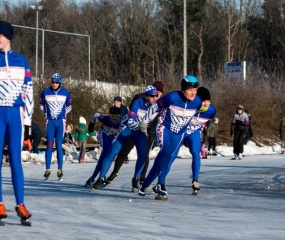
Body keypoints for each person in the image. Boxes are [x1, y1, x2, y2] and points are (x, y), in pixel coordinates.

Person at [137, 75, 202, 200]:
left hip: (180, 133)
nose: (193, 93)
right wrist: (145, 121)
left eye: (195, 90)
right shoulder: (172, 97)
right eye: (190, 90)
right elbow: (155, 107)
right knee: (165, 153)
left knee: (161, 161)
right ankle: (161, 184)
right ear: (183, 90)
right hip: (164, 128)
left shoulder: (198, 102)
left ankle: (143, 187)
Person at [91, 85, 159, 191]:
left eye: (156, 96)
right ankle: (101, 177)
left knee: (143, 154)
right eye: (152, 96)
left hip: (140, 132)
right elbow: (131, 121)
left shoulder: (157, 106)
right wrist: (140, 126)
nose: (155, 98)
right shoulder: (138, 103)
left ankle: (136, 177)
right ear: (146, 96)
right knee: (112, 152)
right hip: (127, 128)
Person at [0, 21, 33, 225]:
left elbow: (29, 93)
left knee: (15, 161)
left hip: (15, 115)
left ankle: (20, 204)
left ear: (7, 37)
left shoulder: (21, 61)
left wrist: (28, 125)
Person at [105, 81, 164, 185]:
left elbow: (158, 119)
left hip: (148, 132)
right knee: (124, 151)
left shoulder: (159, 103)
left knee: (144, 154)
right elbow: (131, 112)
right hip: (134, 129)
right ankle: (114, 173)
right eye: (157, 94)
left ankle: (140, 178)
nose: (158, 96)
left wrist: (151, 132)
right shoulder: (139, 98)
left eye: (160, 94)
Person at [40, 73, 72, 181]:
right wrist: (46, 113)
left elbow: (69, 106)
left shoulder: (65, 93)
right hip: (50, 122)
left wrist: (63, 114)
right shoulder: (45, 92)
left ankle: (60, 169)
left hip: (60, 122)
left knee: (58, 145)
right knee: (49, 145)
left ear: (60, 83)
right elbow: (41, 105)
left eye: (56, 82)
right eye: (53, 82)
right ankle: (47, 169)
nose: (54, 84)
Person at [84, 106, 122, 186]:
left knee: (106, 156)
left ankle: (97, 177)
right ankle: (95, 177)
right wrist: (91, 126)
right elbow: (96, 115)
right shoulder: (104, 118)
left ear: (119, 116)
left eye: (116, 116)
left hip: (113, 137)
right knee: (104, 155)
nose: (114, 118)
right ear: (109, 115)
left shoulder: (121, 121)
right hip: (104, 135)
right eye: (112, 115)